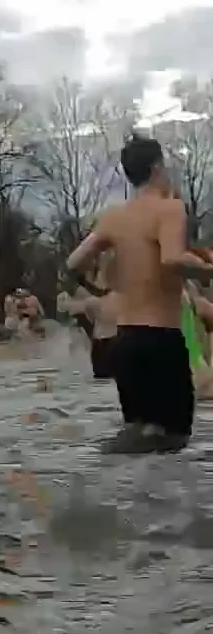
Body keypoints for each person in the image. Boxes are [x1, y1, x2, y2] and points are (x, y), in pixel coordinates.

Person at [67, 134, 213, 452]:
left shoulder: (113, 216)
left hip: (125, 344)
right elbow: (172, 258)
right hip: (161, 340)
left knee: (138, 442)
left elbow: (74, 262)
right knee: (173, 446)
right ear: (158, 167)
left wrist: (106, 288)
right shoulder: (170, 208)